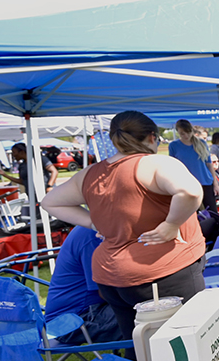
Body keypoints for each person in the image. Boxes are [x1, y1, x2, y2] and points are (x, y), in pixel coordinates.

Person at [41, 111, 206, 341]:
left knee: (138, 347)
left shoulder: (91, 173)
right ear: (152, 137)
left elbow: (50, 202)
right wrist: (172, 224)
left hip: (114, 279)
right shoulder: (154, 163)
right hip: (163, 273)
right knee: (187, 344)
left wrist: (92, 221)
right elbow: (190, 191)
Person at [43, 226, 122, 345]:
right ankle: (138, 359)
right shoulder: (94, 236)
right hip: (72, 322)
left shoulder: (92, 229)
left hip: (77, 314)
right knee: (147, 313)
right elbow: (107, 291)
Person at [169, 119, 218, 211]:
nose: (186, 136)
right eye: (182, 133)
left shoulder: (201, 143)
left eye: (188, 132)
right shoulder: (174, 145)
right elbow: (173, 166)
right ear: (178, 133)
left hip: (205, 182)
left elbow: (209, 164)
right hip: (187, 184)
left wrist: (216, 184)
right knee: (194, 213)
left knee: (212, 212)